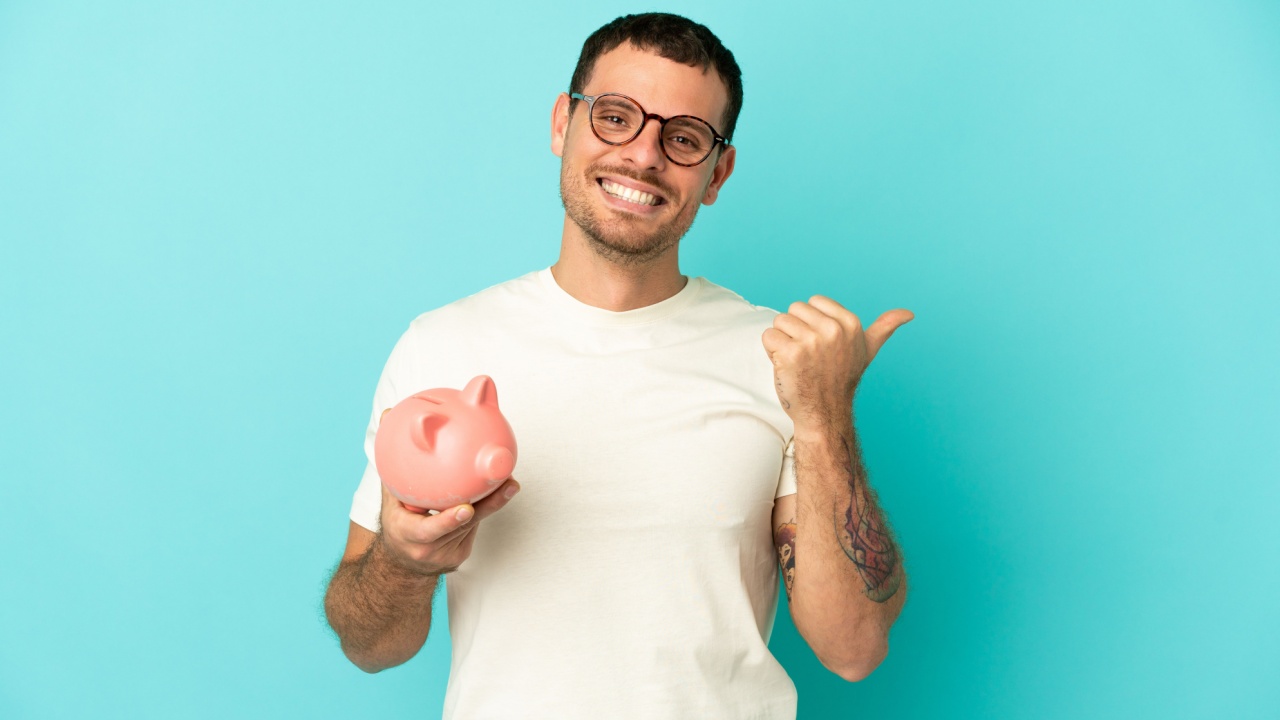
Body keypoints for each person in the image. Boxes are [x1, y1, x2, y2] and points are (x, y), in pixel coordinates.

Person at [324, 12, 911, 719]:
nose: (643, 156)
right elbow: (370, 646)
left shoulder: (778, 359)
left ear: (717, 173)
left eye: (684, 138)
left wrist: (824, 415)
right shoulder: (443, 346)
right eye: (615, 117)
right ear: (560, 126)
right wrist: (405, 561)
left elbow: (854, 649)